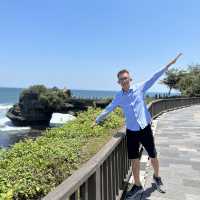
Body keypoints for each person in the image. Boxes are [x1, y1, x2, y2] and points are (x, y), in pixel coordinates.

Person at [92, 53, 182, 198]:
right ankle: (138, 185)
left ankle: (157, 178)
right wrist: (97, 120)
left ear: (130, 79)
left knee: (153, 155)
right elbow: (109, 108)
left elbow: (154, 76)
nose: (124, 81)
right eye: (121, 79)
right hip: (131, 131)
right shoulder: (118, 96)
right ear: (118, 82)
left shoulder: (140, 87)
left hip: (144, 128)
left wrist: (168, 65)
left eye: (126, 78)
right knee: (134, 159)